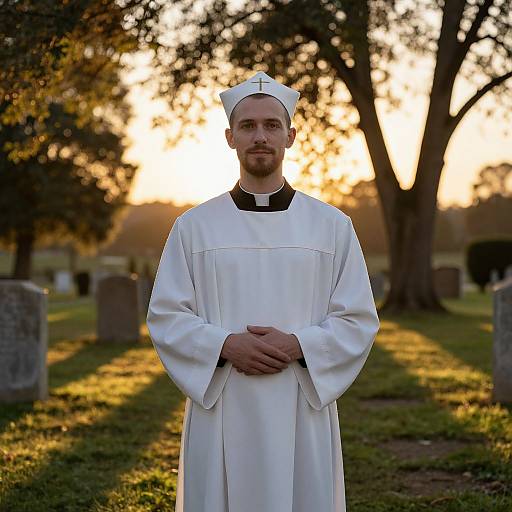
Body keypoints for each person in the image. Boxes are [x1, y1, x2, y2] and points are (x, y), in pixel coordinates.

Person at [146, 70, 380, 512]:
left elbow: (358, 318)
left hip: (299, 404)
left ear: (290, 136)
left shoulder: (331, 226)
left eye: (272, 126)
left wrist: (298, 344)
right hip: (224, 402)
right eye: (248, 126)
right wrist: (225, 344)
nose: (260, 136)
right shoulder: (193, 227)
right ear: (229, 137)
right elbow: (167, 316)